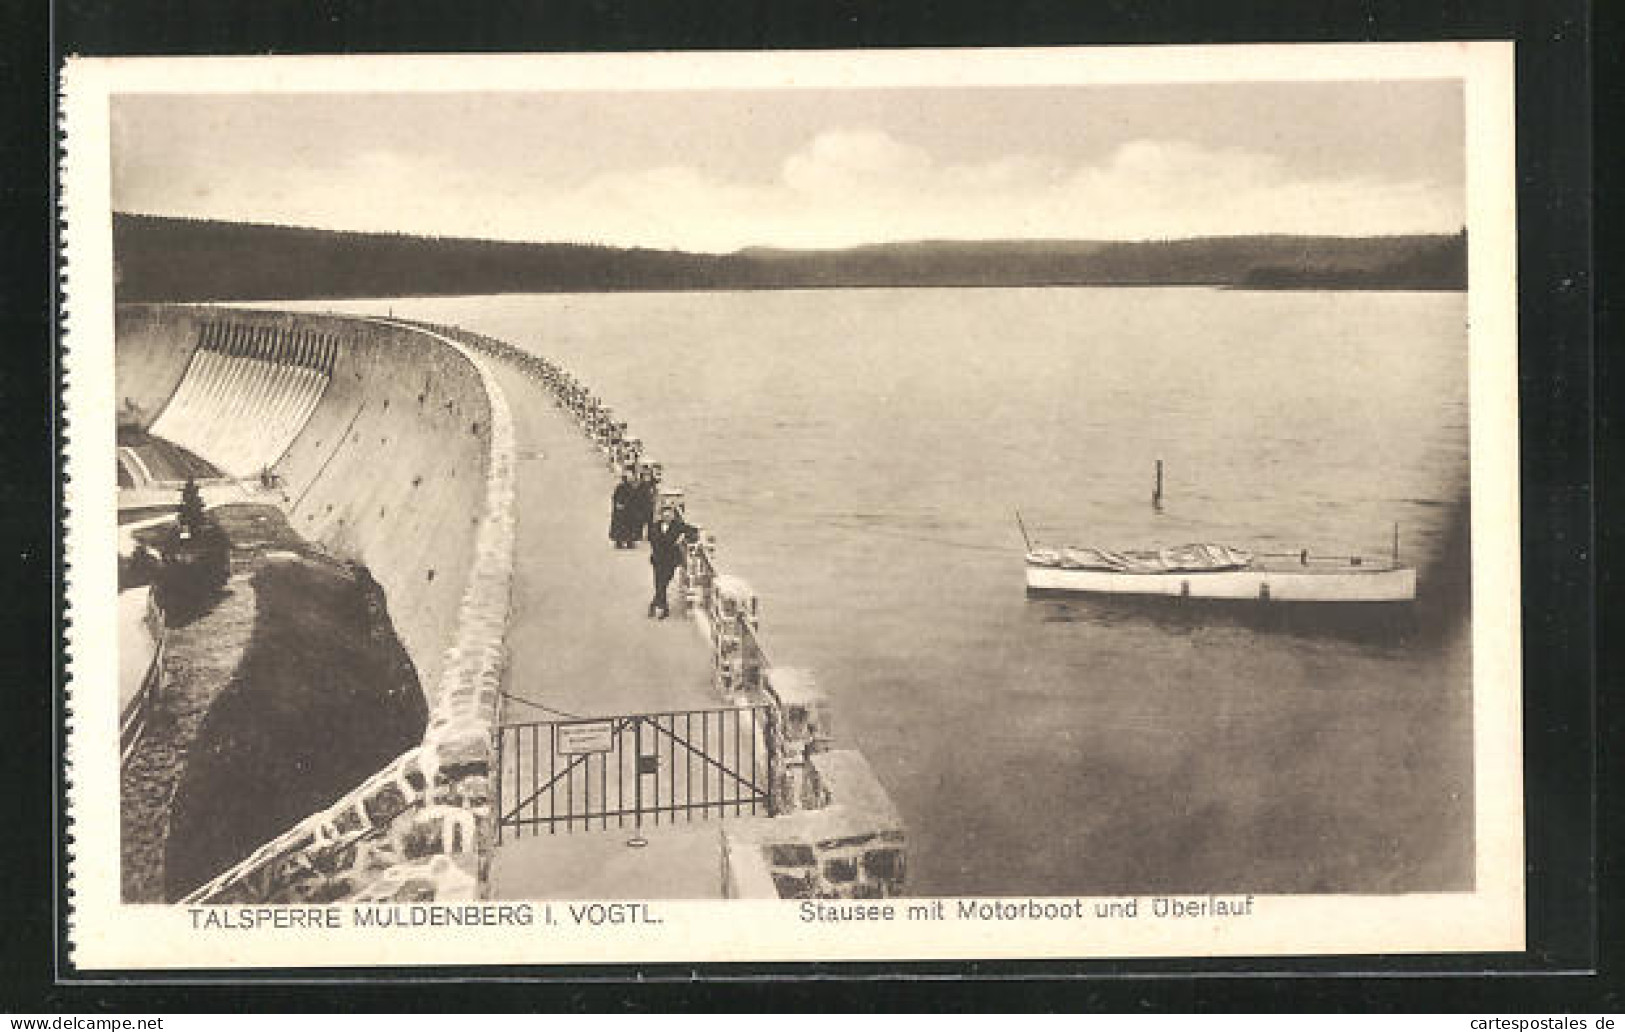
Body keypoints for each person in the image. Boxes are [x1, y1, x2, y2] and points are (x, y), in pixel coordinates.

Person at [646, 503, 697, 619]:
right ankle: (664, 608)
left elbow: (693, 531)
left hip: (671, 559)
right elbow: (651, 539)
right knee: (659, 583)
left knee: (663, 582)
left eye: (670, 515)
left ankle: (655, 604)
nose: (667, 517)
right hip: (658, 558)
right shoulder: (654, 526)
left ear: (673, 516)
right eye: (665, 515)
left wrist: (682, 538)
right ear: (661, 516)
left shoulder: (678, 525)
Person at [608, 470, 639, 548]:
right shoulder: (621, 487)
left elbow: (635, 499)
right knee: (621, 526)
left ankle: (629, 541)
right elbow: (615, 497)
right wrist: (619, 504)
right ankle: (620, 541)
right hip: (622, 511)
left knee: (629, 526)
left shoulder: (632, 488)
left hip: (629, 511)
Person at [630, 466, 658, 542]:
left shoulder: (653, 484)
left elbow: (655, 493)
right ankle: (638, 535)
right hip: (641, 504)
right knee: (639, 520)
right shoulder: (640, 484)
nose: (647, 476)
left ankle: (650, 535)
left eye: (648, 474)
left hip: (649, 504)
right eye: (645, 474)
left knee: (650, 520)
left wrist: (654, 498)